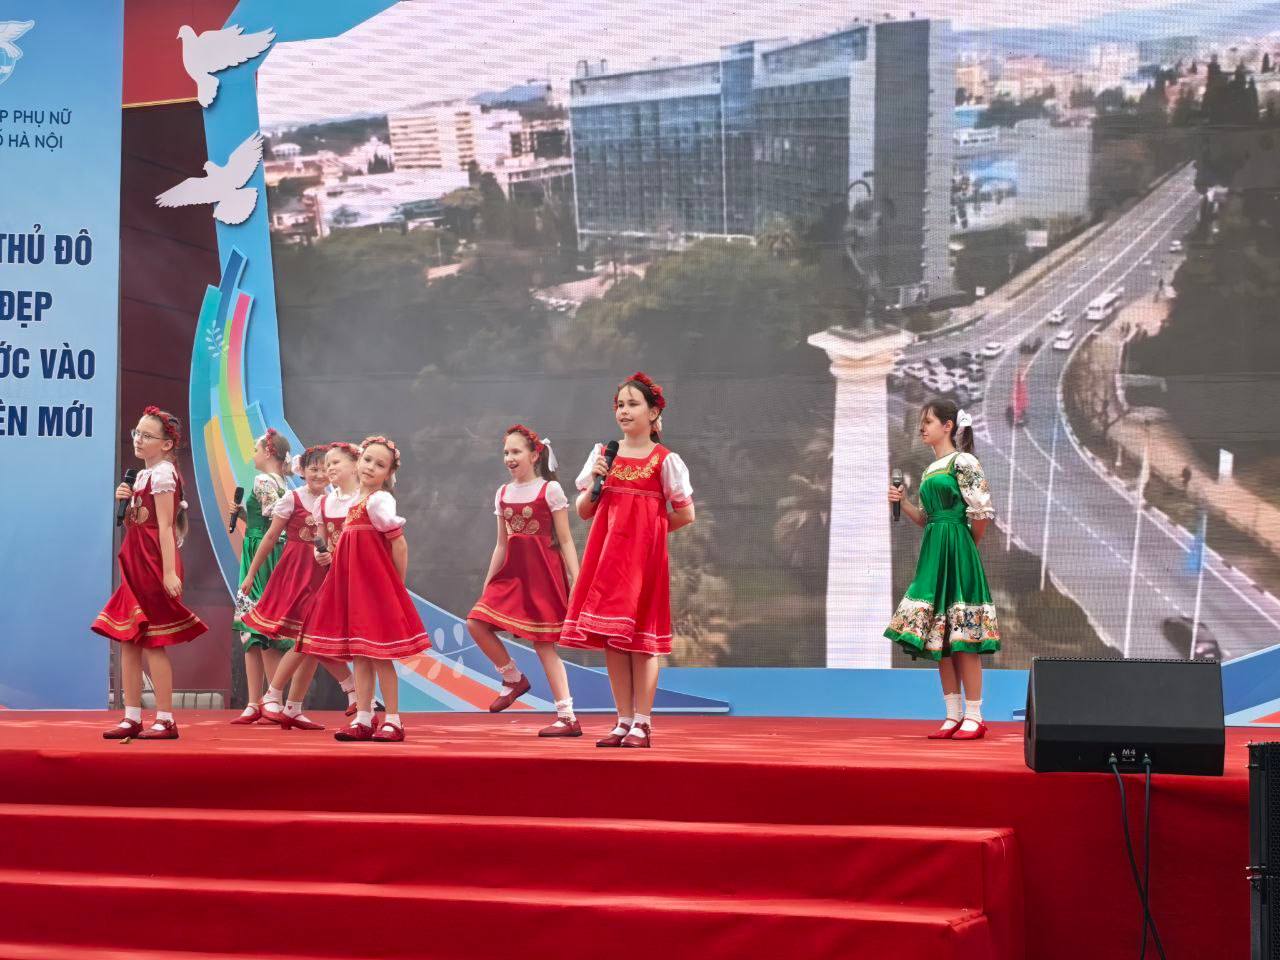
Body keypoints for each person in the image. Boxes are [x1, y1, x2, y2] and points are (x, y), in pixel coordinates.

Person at [561, 373, 695, 749]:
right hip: (606, 562)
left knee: (642, 642)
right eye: (620, 404)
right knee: (614, 641)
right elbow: (584, 510)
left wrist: (648, 534)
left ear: (653, 413)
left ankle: (643, 723)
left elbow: (686, 514)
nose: (624, 411)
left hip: (642, 564)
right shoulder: (603, 454)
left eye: (633, 404)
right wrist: (596, 479)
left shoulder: (665, 460)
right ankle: (622, 721)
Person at [301, 436, 430, 743]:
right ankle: (363, 715)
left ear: (388, 473)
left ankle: (393, 720)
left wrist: (395, 586)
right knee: (360, 653)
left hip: (374, 589)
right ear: (358, 462)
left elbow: (399, 544)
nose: (371, 467)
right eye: (367, 459)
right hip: (354, 588)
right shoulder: (354, 502)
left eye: (380, 464)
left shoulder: (379, 501)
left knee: (380, 655)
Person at [886, 398, 1000, 740]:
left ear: (948, 426)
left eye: (928, 421)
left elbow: (980, 513)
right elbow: (926, 519)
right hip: (934, 552)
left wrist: (966, 549)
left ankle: (974, 715)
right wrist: (903, 502)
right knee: (940, 636)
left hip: (958, 550)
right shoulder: (929, 470)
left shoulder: (964, 461)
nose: (922, 428)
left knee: (964, 636)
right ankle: (952, 714)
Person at [92, 406, 207, 740]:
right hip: (135, 561)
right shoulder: (143, 475)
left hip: (154, 561)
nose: (138, 440)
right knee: (129, 639)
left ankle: (166, 718)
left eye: (147, 435)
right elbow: (137, 522)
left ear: (166, 444)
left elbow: (166, 526)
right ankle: (131, 716)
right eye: (136, 433)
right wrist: (125, 500)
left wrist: (169, 572)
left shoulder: (164, 474)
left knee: (153, 641)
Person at [466, 425, 582, 736]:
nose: (509, 457)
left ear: (534, 455)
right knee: (476, 622)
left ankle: (567, 716)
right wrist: (489, 582)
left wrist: (578, 578)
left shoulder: (550, 490)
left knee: (544, 645)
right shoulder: (502, 493)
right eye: (506, 452)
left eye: (516, 451)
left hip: (543, 575)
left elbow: (565, 539)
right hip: (512, 575)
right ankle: (513, 678)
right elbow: (501, 544)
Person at [238, 444, 333, 729]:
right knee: (298, 638)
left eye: (325, 469)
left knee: (312, 644)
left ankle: (293, 706)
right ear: (302, 470)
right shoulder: (292, 498)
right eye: (313, 469)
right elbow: (270, 537)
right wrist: (251, 574)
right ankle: (272, 696)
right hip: (294, 575)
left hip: (322, 578)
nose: (319, 474)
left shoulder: (333, 502)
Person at [228, 429, 290, 724]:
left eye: (256, 448)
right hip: (272, 553)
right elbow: (269, 519)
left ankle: (262, 701)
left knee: (257, 629)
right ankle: (265, 701)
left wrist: (252, 571)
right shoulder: (283, 483)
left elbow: (273, 520)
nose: (253, 454)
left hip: (260, 554)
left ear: (268, 451)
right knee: (261, 631)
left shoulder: (264, 481)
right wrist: (244, 515)